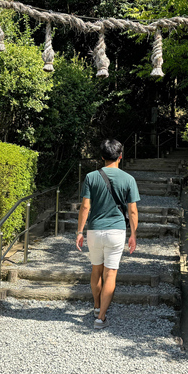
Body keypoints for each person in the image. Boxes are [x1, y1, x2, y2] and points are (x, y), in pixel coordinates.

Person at [76, 139, 139, 329]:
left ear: (102, 157)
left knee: (96, 270)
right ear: (121, 156)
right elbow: (133, 211)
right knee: (110, 274)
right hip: (116, 230)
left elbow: (85, 206)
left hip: (95, 230)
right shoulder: (129, 179)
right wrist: (133, 234)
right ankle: (100, 318)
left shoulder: (91, 177)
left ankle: (96, 307)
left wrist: (79, 231)